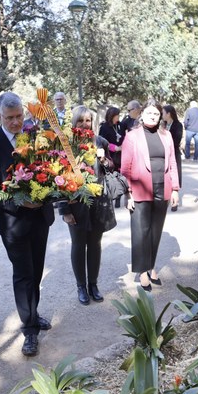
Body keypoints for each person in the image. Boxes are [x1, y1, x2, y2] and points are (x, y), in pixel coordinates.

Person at [0, 92, 55, 356]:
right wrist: (20, 201)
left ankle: (32, 313)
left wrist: (50, 190)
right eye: (9, 118)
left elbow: (50, 170)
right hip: (13, 222)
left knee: (36, 271)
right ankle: (29, 330)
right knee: (23, 275)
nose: (15, 122)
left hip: (40, 218)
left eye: (19, 116)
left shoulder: (35, 137)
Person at [120, 100, 180, 290]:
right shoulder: (132, 136)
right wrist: (127, 193)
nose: (153, 116)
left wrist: (175, 189)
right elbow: (125, 167)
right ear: (142, 115)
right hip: (139, 189)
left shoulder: (166, 135)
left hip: (162, 187)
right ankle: (142, 271)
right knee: (141, 232)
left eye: (156, 114)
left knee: (155, 231)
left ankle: (151, 265)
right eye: (149, 113)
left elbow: (172, 162)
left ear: (160, 116)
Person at [58, 106, 113, 305]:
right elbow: (58, 178)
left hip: (97, 202)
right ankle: (81, 286)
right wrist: (64, 209)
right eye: (80, 120)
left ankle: (93, 285)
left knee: (95, 244)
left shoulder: (100, 142)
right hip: (76, 203)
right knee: (79, 244)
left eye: (88, 120)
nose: (84, 124)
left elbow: (111, 167)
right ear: (74, 122)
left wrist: (104, 160)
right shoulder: (66, 144)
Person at [162, 105, 183, 211]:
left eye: (163, 113)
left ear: (168, 114)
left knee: (175, 176)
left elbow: (176, 141)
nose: (162, 115)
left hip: (174, 153)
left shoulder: (178, 125)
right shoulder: (163, 125)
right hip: (163, 155)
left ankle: (175, 202)